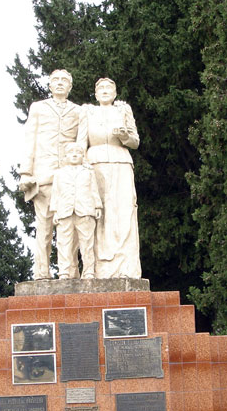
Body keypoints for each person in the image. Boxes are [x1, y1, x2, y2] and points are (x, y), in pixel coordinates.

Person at [77, 78, 142, 279]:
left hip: (121, 162)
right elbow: (80, 143)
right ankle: (96, 268)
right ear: (95, 94)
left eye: (109, 88)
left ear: (115, 93)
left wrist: (124, 136)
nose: (105, 91)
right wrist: (80, 166)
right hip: (94, 164)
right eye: (101, 88)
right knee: (99, 213)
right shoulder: (87, 112)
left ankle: (126, 267)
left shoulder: (123, 110)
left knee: (123, 213)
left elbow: (135, 141)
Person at [19, 69, 80, 280]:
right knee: (44, 226)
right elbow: (30, 139)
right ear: (50, 85)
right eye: (56, 80)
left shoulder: (78, 111)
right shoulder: (38, 108)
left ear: (70, 86)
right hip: (43, 175)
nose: (60, 83)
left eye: (65, 80)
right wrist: (26, 172)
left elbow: (82, 143)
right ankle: (41, 272)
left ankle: (70, 272)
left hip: (69, 176)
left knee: (70, 226)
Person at [49, 144, 102, 279]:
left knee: (87, 242)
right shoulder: (59, 173)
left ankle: (89, 271)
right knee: (63, 243)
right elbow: (55, 193)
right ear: (66, 156)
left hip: (85, 210)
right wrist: (54, 211)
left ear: (82, 156)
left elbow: (94, 189)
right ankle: (64, 271)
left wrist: (97, 206)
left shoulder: (88, 172)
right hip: (64, 211)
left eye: (77, 152)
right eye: (71, 152)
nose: (74, 155)